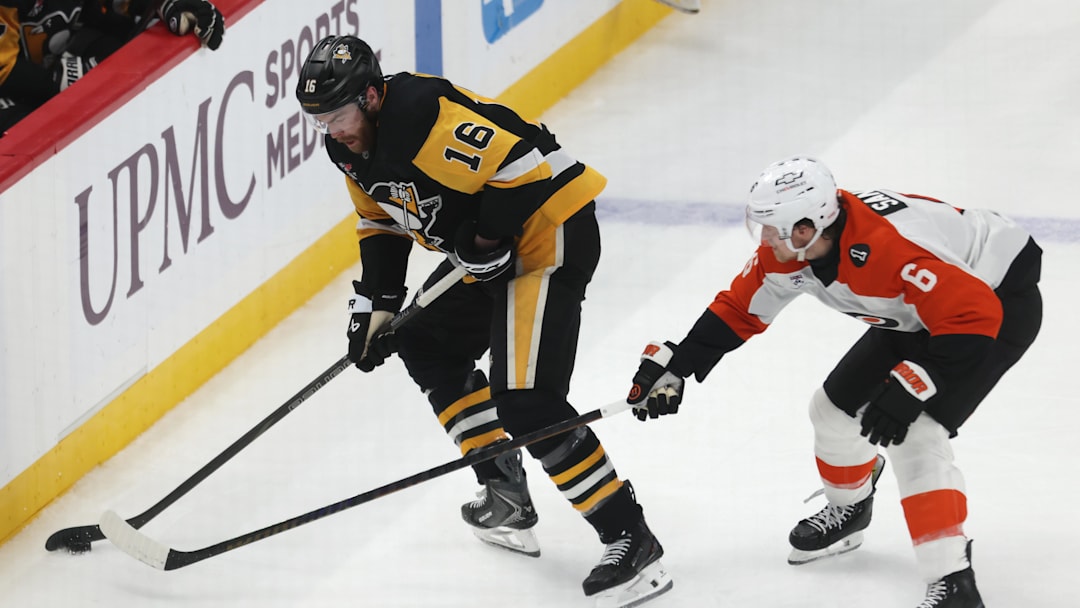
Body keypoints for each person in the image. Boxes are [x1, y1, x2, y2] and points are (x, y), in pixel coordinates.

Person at [295, 35, 673, 607]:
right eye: (320, 120)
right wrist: (376, 304)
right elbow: (382, 222)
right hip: (488, 248)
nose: (334, 129)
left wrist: (485, 239)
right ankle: (506, 492)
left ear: (372, 96)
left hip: (548, 229)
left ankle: (629, 536)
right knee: (421, 344)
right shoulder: (348, 149)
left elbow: (525, 166)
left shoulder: (421, 116)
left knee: (526, 399)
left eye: (340, 114)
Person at [627, 155, 1041, 607]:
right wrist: (678, 362)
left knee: (917, 433)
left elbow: (974, 313)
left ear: (806, 229)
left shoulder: (889, 251)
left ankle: (953, 582)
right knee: (831, 412)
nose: (764, 240)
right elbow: (740, 309)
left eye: (772, 228)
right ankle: (851, 508)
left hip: (993, 304)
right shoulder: (792, 250)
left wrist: (923, 379)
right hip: (922, 313)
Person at [0, 0, 224, 135]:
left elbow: (114, 8)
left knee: (122, 56)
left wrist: (165, 5)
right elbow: (4, 69)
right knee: (25, 130)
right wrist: (57, 81)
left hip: (52, 57)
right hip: (10, 95)